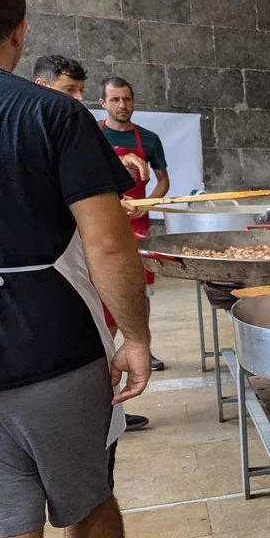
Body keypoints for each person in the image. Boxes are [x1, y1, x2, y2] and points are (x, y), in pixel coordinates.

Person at [0, 0, 168, 538]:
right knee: (87, 500)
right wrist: (137, 337)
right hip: (53, 347)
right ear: (19, 32)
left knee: (6, 533)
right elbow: (107, 244)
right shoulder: (51, 115)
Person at [34, 56, 150, 433]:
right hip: (67, 265)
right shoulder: (59, 123)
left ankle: (107, 409)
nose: (77, 99)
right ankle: (100, 413)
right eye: (70, 90)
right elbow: (106, 240)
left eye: (80, 91)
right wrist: (138, 338)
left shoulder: (55, 123)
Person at [99, 76, 168, 373]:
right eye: (115, 99)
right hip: (101, 224)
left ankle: (142, 348)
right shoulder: (93, 136)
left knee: (139, 289)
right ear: (103, 103)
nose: (122, 105)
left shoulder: (149, 139)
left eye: (126, 99)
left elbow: (163, 182)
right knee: (102, 287)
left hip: (138, 225)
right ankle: (104, 351)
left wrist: (147, 204)